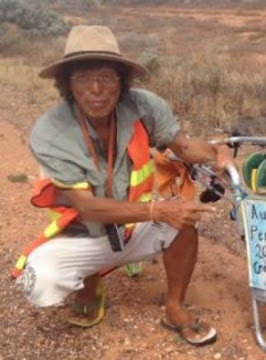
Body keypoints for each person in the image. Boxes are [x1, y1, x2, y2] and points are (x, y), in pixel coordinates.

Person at [12, 25, 233, 346]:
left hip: (132, 225)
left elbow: (184, 148)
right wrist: (158, 209)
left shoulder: (144, 106)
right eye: (83, 78)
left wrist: (219, 154)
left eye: (107, 77)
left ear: (122, 82)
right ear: (68, 85)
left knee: (183, 223)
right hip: (84, 233)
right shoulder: (50, 132)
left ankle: (174, 307)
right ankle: (89, 284)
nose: (97, 89)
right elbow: (86, 207)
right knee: (39, 283)